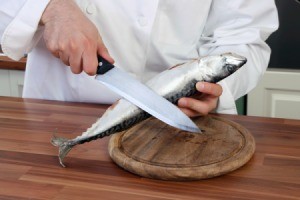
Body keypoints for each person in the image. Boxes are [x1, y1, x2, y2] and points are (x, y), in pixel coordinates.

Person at [0, 0, 278, 117]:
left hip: (179, 114)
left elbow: (245, 35)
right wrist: (51, 7)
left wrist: (218, 87)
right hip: (61, 109)